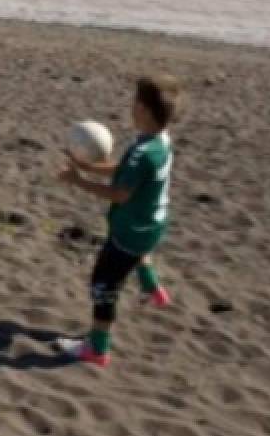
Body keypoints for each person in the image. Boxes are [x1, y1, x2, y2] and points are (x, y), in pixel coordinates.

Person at [54, 75, 182, 367]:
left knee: (103, 284)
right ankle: (152, 287)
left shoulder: (142, 153)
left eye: (135, 102)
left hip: (131, 231)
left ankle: (96, 349)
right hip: (152, 224)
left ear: (145, 111)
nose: (130, 107)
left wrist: (77, 180)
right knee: (139, 253)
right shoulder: (160, 141)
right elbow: (123, 170)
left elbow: (120, 193)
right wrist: (88, 166)